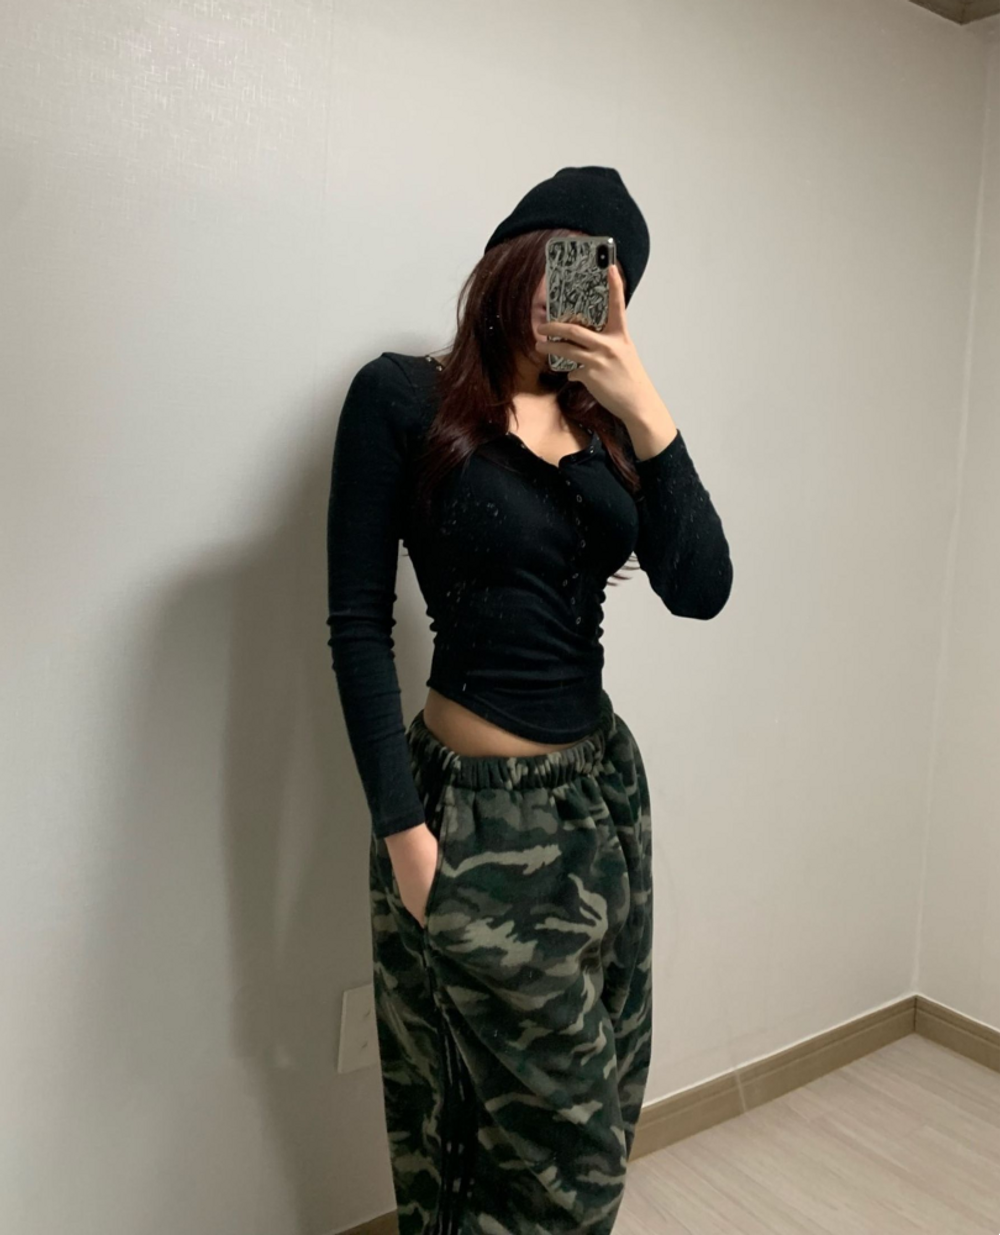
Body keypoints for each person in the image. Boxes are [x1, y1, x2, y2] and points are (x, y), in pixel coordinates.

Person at [325, 166, 733, 1234]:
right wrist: (406, 838)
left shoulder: (607, 430)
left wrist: (644, 404)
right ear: (519, 254)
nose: (582, 294)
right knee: (523, 1146)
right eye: (575, 262)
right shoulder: (401, 398)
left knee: (608, 1091)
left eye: (611, 284)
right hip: (472, 815)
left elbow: (702, 587)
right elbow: (358, 623)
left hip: (601, 801)